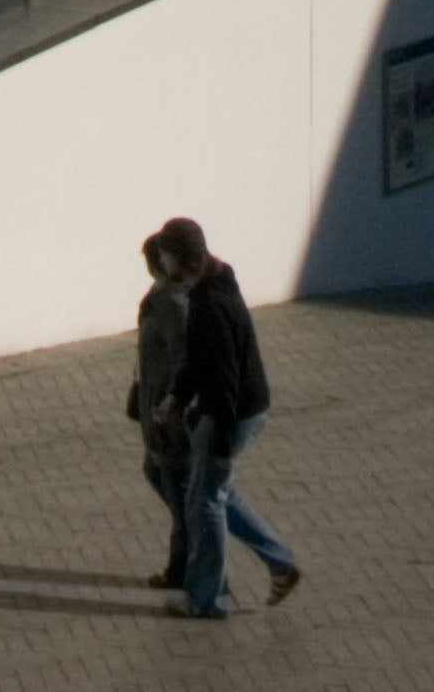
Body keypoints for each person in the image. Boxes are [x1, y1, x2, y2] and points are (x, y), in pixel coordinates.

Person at [149, 218, 301, 619]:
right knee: (218, 494)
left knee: (205, 503)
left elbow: (222, 379)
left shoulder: (210, 305)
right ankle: (280, 562)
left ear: (177, 258)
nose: (160, 261)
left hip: (229, 416)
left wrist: (218, 442)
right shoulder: (212, 284)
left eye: (164, 253)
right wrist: (178, 399)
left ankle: (207, 600)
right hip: (235, 411)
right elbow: (199, 363)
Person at [129, 233, 194, 590]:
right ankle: (192, 548)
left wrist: (170, 402)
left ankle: (181, 570)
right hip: (157, 410)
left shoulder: (172, 304)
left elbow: (181, 357)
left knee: (177, 488)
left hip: (168, 417)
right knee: (157, 472)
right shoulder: (160, 298)